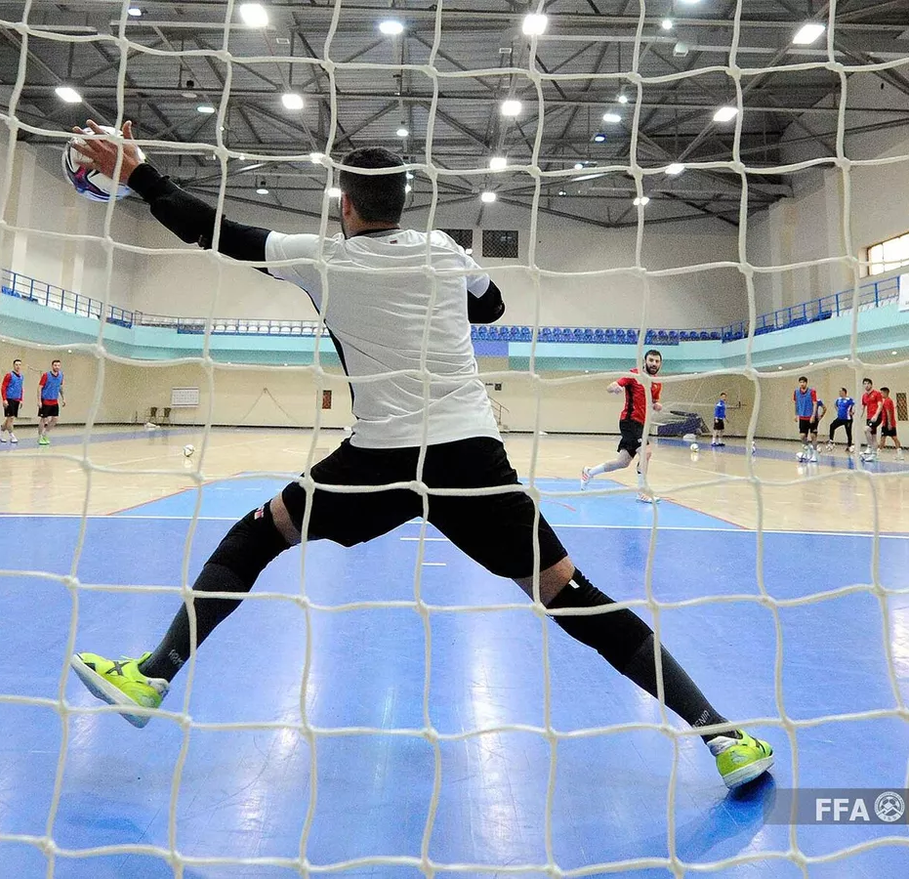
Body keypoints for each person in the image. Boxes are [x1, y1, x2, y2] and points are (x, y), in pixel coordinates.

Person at [65, 122, 773, 790]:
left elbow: (215, 232)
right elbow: (490, 308)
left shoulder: (322, 258)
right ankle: (721, 735)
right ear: (404, 202)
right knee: (571, 594)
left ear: (344, 204)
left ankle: (155, 672)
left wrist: (142, 177)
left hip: (378, 459)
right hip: (470, 459)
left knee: (259, 533)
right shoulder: (444, 250)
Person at [580, 349, 664, 503]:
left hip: (642, 425)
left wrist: (656, 405)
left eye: (657, 361)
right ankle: (641, 492)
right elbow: (610, 386)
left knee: (622, 462)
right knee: (646, 453)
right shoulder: (633, 375)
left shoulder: (657, 383)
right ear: (645, 361)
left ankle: (589, 472)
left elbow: (653, 400)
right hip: (629, 421)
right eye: (651, 360)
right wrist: (615, 388)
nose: (654, 363)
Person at [37, 359, 64, 445]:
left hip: (54, 401)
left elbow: (60, 387)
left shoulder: (61, 375)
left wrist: (63, 398)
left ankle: (45, 434)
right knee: (43, 419)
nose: (57, 367)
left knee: (55, 419)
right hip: (45, 400)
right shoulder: (46, 375)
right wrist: (39, 400)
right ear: (52, 366)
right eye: (55, 365)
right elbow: (39, 388)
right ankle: (40, 436)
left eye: (58, 365)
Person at [792, 377, 818, 463]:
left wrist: (813, 415)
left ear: (806, 383)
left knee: (813, 436)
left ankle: (814, 454)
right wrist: (796, 414)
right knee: (802, 436)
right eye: (800, 382)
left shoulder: (812, 392)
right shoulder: (796, 392)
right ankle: (807, 450)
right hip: (802, 417)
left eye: (803, 382)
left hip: (811, 416)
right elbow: (796, 404)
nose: (802, 384)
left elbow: (815, 404)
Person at [0, 359, 24, 443]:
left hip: (16, 399)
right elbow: (3, 387)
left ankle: (0, 432)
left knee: (9, 418)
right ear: (13, 365)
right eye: (16, 364)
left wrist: (21, 399)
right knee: (11, 418)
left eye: (19, 364)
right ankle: (12, 435)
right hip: (9, 399)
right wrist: (4, 399)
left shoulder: (21, 376)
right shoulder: (9, 375)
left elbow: (21, 388)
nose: (18, 366)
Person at [860, 378, 883, 462]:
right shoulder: (864, 396)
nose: (866, 385)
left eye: (867, 383)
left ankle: (869, 447)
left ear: (871, 384)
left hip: (876, 417)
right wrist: (859, 416)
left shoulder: (877, 394)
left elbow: (880, 405)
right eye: (864, 384)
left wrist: (876, 415)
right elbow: (863, 407)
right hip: (869, 417)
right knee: (873, 437)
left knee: (866, 429)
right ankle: (874, 455)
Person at [825, 388, 854, 453]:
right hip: (840, 418)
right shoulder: (839, 399)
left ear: (844, 392)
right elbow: (835, 405)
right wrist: (838, 410)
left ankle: (849, 446)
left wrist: (853, 412)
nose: (839, 393)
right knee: (832, 426)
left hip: (848, 419)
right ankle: (831, 441)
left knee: (848, 432)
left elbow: (855, 406)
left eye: (840, 392)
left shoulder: (849, 400)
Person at [878, 387, 903, 458]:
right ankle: (900, 454)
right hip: (889, 423)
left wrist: (889, 423)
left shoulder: (887, 401)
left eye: (882, 393)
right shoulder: (889, 401)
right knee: (891, 438)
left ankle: (878, 453)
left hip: (887, 423)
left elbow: (888, 412)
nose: (881, 394)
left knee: (885, 438)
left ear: (886, 393)